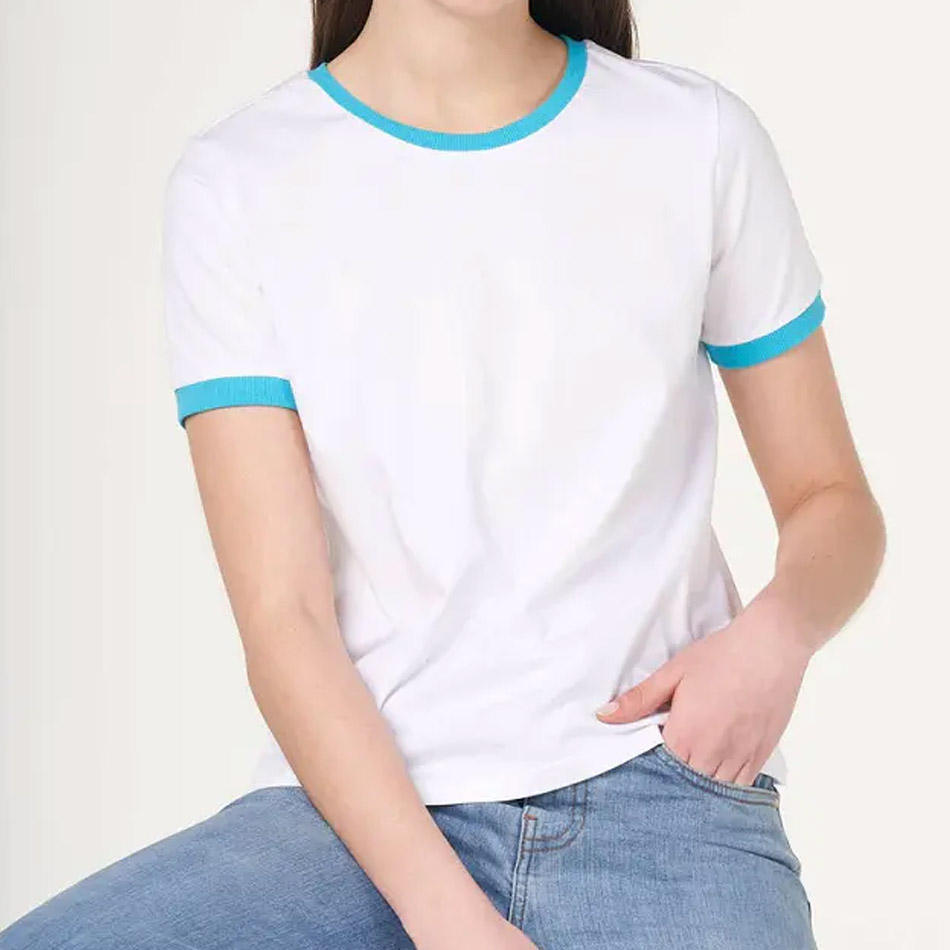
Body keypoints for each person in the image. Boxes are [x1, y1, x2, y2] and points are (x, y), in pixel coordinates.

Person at [0, 1, 885, 948]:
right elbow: (284, 619)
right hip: (357, 819)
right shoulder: (239, 181)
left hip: (663, 800)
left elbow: (831, 500)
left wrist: (777, 636)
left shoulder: (696, 137)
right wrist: (451, 920)